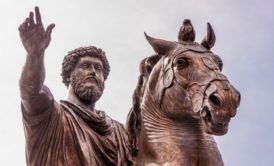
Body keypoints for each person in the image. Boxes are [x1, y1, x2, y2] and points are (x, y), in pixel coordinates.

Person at [19, 6, 132, 166]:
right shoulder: (50, 116)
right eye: (86, 66)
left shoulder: (120, 133)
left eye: (98, 69)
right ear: (68, 76)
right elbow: (31, 91)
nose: (93, 72)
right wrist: (35, 54)